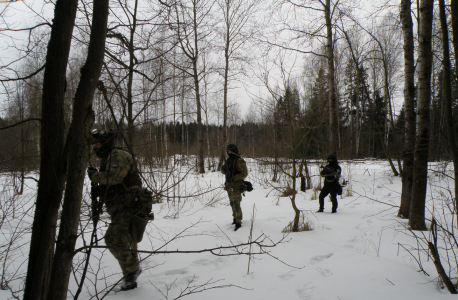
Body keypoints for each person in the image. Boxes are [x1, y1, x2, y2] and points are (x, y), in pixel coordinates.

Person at [87, 129, 152, 291]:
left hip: (128, 207)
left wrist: (95, 176)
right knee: (123, 241)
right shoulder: (109, 158)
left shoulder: (118, 155)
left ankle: (133, 269)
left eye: (96, 144)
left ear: (105, 143)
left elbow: (113, 177)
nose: (94, 147)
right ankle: (130, 280)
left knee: (113, 240)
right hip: (121, 207)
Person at [221, 144, 248, 231]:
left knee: (236, 204)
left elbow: (244, 173)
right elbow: (223, 171)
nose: (228, 153)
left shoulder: (239, 160)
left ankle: (238, 222)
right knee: (232, 203)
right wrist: (223, 168)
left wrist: (234, 177)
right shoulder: (229, 160)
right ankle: (234, 218)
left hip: (236, 186)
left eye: (230, 151)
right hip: (229, 185)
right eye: (227, 151)